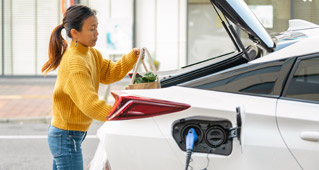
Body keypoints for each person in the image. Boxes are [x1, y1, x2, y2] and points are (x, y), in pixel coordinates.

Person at [42, 4, 141, 170]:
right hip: (65, 136)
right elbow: (90, 104)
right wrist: (119, 114)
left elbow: (109, 73)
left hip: (68, 135)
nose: (97, 33)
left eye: (97, 28)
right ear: (75, 33)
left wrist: (132, 57)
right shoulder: (75, 61)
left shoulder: (90, 53)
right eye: (92, 29)